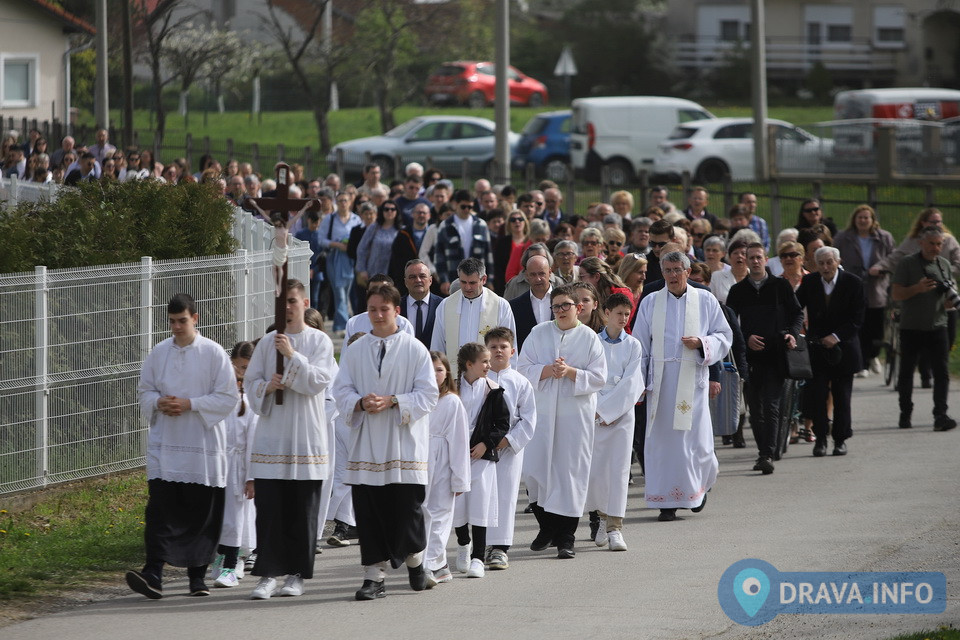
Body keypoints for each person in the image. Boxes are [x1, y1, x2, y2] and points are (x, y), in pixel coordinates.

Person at [127, 293, 239, 599]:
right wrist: (158, 402)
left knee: (199, 513)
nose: (177, 327)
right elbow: (144, 391)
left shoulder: (213, 353)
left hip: (201, 447)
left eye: (182, 321)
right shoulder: (159, 352)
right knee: (160, 511)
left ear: (195, 319)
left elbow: (229, 397)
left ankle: (197, 578)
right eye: (173, 321)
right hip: (167, 446)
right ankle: (153, 573)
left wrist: (190, 404)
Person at [332, 285, 439, 601]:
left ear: (397, 311)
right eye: (372, 309)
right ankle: (373, 578)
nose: (378, 315)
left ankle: (416, 562)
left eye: (384, 309)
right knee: (370, 513)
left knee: (406, 511)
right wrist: (361, 403)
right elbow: (341, 391)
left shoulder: (414, 349)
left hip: (402, 444)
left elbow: (429, 394)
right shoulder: (355, 350)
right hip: (366, 445)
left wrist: (394, 400)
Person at [245, 280, 338, 600]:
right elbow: (251, 384)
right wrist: (267, 387)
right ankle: (268, 573)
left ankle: (296, 574)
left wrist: (292, 356)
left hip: (305, 437)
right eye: (283, 302)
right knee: (270, 509)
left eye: (293, 301)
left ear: (305, 302)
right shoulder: (267, 342)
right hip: (273, 436)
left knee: (302, 510)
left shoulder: (320, 342)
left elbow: (319, 382)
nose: (288, 307)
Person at [634, 251, 732, 522]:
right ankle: (665, 502)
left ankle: (696, 491)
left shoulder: (705, 299)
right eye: (667, 270)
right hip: (661, 383)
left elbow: (724, 336)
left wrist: (702, 343)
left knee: (695, 444)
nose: (673, 275)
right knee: (662, 444)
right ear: (662, 273)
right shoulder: (651, 301)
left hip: (692, 382)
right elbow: (640, 343)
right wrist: (639, 381)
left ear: (688, 272)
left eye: (678, 269)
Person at [517, 284, 607, 558]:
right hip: (542, 414)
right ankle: (547, 528)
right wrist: (547, 370)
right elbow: (522, 368)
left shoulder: (589, 337)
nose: (560, 311)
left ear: (579, 307)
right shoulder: (538, 333)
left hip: (574, 416)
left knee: (569, 475)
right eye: (555, 306)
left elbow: (599, 377)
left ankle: (566, 537)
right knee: (536, 471)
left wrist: (570, 372)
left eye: (565, 305)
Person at [725, 243, 802, 475]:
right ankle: (765, 450)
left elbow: (797, 313)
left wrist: (791, 333)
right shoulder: (738, 291)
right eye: (751, 258)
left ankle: (766, 454)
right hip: (750, 358)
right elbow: (727, 322)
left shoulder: (780, 286)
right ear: (746, 261)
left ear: (766, 259)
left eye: (759, 257)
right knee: (755, 409)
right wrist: (745, 338)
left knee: (771, 405)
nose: (755, 261)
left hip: (776, 354)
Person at [586, 293, 645, 551]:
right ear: (606, 313)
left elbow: (633, 382)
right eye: (619, 313)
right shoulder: (592, 343)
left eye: (626, 314)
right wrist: (597, 410)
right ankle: (600, 519)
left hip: (621, 414)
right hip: (593, 413)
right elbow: (587, 377)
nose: (623, 318)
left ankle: (616, 528)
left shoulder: (633, 345)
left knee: (619, 470)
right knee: (596, 471)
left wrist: (609, 411)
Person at [796, 246, 865, 456]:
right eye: (821, 263)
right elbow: (795, 305)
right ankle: (820, 439)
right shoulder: (809, 282)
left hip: (844, 348)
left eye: (829, 262)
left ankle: (840, 439)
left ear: (838, 261)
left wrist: (835, 337)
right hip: (818, 349)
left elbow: (858, 318)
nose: (825, 267)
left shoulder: (853, 282)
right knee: (818, 395)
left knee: (842, 396)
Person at [452, 343, 510, 579]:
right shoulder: (452, 389)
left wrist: (486, 443)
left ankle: (478, 557)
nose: (489, 365)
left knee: (480, 504)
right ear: (469, 365)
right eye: (484, 362)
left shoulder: (493, 390)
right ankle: (463, 543)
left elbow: (502, 423)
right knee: (458, 504)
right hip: (456, 455)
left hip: (482, 455)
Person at [890, 227, 957, 432]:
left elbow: (951, 294)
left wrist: (949, 303)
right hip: (911, 327)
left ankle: (940, 414)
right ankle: (905, 412)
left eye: (939, 244)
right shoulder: (907, 263)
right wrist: (917, 288)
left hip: (938, 326)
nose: (935, 248)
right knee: (907, 372)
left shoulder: (944, 264)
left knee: (942, 373)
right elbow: (896, 294)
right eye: (932, 243)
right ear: (921, 243)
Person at [483, 327, 537, 570]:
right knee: (483, 495)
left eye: (502, 347)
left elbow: (528, 419)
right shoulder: (477, 380)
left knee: (504, 495)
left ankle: (500, 547)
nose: (497, 351)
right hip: (481, 448)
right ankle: (482, 544)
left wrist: (508, 441)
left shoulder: (520, 382)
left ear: (512, 351)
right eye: (492, 347)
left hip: (508, 447)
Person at [210, 341, 259, 589]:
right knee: (220, 516)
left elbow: (252, 441)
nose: (243, 373)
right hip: (219, 461)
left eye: (248, 368)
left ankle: (231, 565)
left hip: (239, 465)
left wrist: (251, 476)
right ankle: (220, 559)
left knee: (236, 518)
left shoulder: (251, 400)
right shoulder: (222, 394)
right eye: (239, 367)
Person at [421, 351, 470, 588]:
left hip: (442, 462)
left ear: (447, 373)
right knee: (422, 514)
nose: (435, 374)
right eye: (429, 369)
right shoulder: (419, 399)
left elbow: (459, 442)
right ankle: (438, 565)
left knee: (440, 514)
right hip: (419, 461)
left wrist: (460, 479)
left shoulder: (452, 401)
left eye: (439, 369)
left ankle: (429, 564)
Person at [833, 205, 895, 376]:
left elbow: (893, 257)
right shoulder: (844, 237)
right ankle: (862, 363)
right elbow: (834, 256)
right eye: (860, 217)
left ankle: (873, 355)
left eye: (866, 217)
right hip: (853, 285)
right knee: (857, 325)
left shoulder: (884, 237)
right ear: (854, 219)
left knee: (876, 328)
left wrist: (880, 267)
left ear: (872, 220)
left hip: (876, 287)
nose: (863, 221)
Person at [431, 258, 517, 376]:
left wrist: (508, 379)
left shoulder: (500, 305)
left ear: (484, 279)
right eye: (463, 282)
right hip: (455, 379)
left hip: (490, 379)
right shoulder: (445, 306)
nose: (467, 288)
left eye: (472, 283)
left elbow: (510, 346)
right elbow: (437, 346)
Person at [318, 192, 363, 334]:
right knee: (339, 291)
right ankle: (342, 325)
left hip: (351, 259)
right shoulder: (329, 219)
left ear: (350, 202)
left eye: (345, 200)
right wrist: (337, 244)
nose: (343, 203)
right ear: (335, 203)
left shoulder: (356, 219)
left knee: (348, 292)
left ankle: (343, 323)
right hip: (335, 257)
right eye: (340, 201)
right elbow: (321, 240)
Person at [434, 189, 495, 293]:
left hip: (477, 279)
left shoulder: (481, 225)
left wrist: (490, 280)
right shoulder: (445, 225)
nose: (467, 209)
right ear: (455, 205)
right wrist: (443, 279)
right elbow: (439, 255)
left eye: (470, 207)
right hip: (454, 278)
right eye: (463, 206)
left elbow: (488, 254)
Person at [509, 254, 554, 350]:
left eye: (542, 273)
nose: (538, 279)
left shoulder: (565, 301)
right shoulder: (515, 306)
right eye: (533, 274)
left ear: (550, 272)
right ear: (526, 275)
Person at [389, 202, 432, 294]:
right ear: (412, 214)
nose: (421, 215)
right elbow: (395, 260)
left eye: (424, 213)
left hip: (432, 282)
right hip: (407, 283)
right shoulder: (403, 235)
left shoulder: (435, 234)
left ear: (429, 215)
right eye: (418, 212)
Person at [357, 201, 402, 289]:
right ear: (382, 211)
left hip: (393, 274)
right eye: (386, 209)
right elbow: (362, 249)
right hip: (373, 272)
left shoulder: (401, 230)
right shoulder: (374, 228)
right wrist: (362, 269)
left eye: (393, 209)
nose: (389, 211)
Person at [400, 259, 443, 349]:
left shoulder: (442, 305)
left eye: (422, 276)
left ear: (430, 280)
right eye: (412, 277)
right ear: (405, 282)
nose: (418, 280)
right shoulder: (396, 306)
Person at [709, 237, 750, 304]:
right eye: (735, 253)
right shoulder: (716, 277)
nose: (739, 256)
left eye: (743, 253)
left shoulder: (755, 277)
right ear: (730, 257)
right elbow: (710, 301)